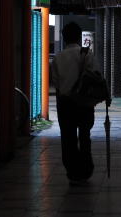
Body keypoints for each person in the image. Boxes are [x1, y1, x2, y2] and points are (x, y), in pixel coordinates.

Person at [51, 22, 100, 185]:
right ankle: (86, 170)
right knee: (85, 136)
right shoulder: (87, 54)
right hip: (84, 103)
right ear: (79, 37)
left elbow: (56, 83)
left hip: (65, 103)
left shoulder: (58, 58)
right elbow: (94, 76)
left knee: (68, 138)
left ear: (64, 38)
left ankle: (73, 171)